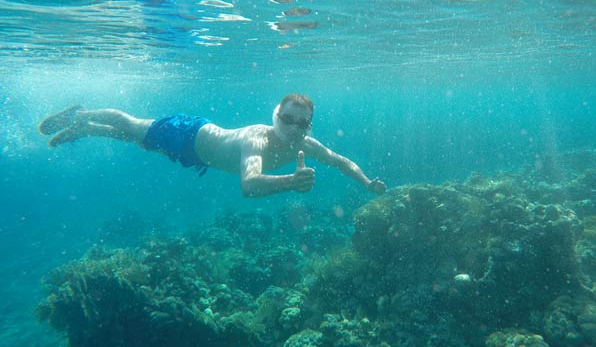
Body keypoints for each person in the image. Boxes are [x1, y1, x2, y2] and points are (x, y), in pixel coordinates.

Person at [38, 94, 387, 198]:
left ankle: (83, 129)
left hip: (194, 155)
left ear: (307, 125)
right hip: (188, 135)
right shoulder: (257, 140)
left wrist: (367, 181)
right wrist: (289, 183)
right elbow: (249, 185)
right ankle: (82, 114)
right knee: (132, 126)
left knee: (140, 143)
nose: (294, 128)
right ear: (276, 116)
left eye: (302, 122)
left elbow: (339, 161)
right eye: (288, 119)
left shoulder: (306, 145)